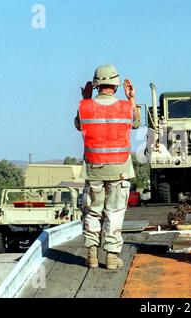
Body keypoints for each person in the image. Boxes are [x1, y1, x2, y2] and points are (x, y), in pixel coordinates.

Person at [75, 64, 141, 269]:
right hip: (120, 169)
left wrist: (86, 98)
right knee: (114, 212)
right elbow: (136, 123)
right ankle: (112, 257)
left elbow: (79, 125)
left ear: (95, 85)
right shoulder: (125, 107)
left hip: (94, 169)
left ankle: (92, 255)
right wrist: (131, 98)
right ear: (116, 84)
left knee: (93, 211)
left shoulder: (84, 106)